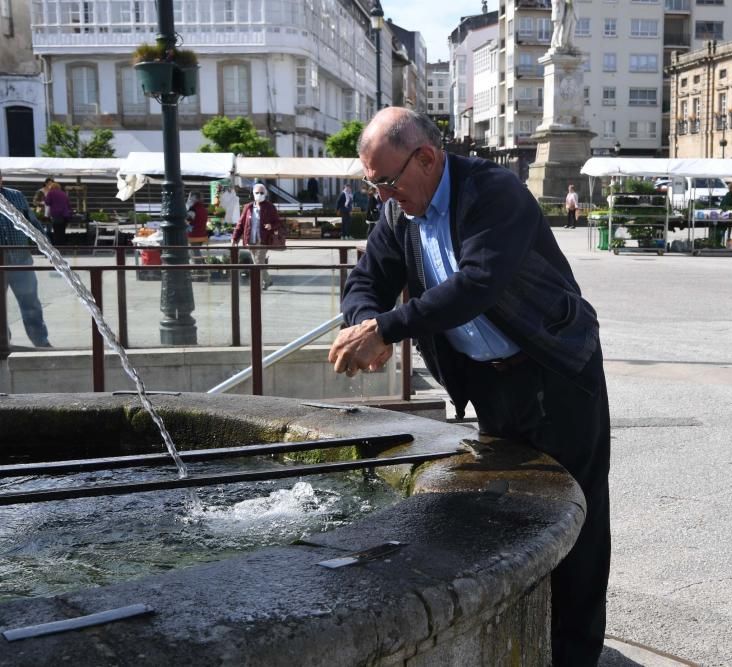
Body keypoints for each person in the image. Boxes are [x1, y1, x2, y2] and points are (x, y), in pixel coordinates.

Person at [327, 107, 610, 667]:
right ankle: (523, 634)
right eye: (371, 183)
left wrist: (388, 327)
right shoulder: (398, 213)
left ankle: (575, 655)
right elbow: (367, 279)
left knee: (578, 515)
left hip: (554, 370)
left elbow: (476, 285)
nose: (383, 195)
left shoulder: (493, 192)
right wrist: (364, 320)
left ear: (427, 158)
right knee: (512, 514)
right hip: (491, 382)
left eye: (386, 181)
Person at [0, 169, 52, 347]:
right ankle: (2, 341)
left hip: (20, 258)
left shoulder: (16, 196)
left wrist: (47, 246)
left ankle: (41, 341)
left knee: (30, 303)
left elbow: (32, 222)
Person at [232, 182, 279, 290]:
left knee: (257, 263)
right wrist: (235, 238)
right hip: (250, 239)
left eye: (261, 192)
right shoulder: (248, 207)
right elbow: (241, 224)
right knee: (258, 262)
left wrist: (271, 225)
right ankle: (268, 280)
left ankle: (257, 287)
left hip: (263, 240)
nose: (259, 194)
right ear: (253, 194)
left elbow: (278, 222)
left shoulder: (270, 207)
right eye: (257, 192)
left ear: (265, 194)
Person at [43, 180, 73, 247]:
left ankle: (58, 245)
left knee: (57, 231)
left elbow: (47, 202)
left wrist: (45, 197)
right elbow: (68, 204)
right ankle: (63, 245)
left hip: (56, 214)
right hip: (65, 215)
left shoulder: (51, 193)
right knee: (62, 231)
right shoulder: (63, 193)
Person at [717, 180, 732, 247]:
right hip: (725, 215)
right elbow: (726, 206)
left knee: (729, 228)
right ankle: (720, 243)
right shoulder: (728, 195)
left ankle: (727, 242)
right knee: (723, 229)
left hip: (730, 216)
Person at [186, 191, 209, 258]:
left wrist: (187, 207)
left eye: (190, 197)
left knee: (195, 255)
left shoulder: (193, 209)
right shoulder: (203, 208)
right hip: (202, 234)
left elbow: (187, 220)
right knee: (194, 252)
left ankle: (199, 267)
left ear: (194, 198)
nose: (189, 199)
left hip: (193, 235)